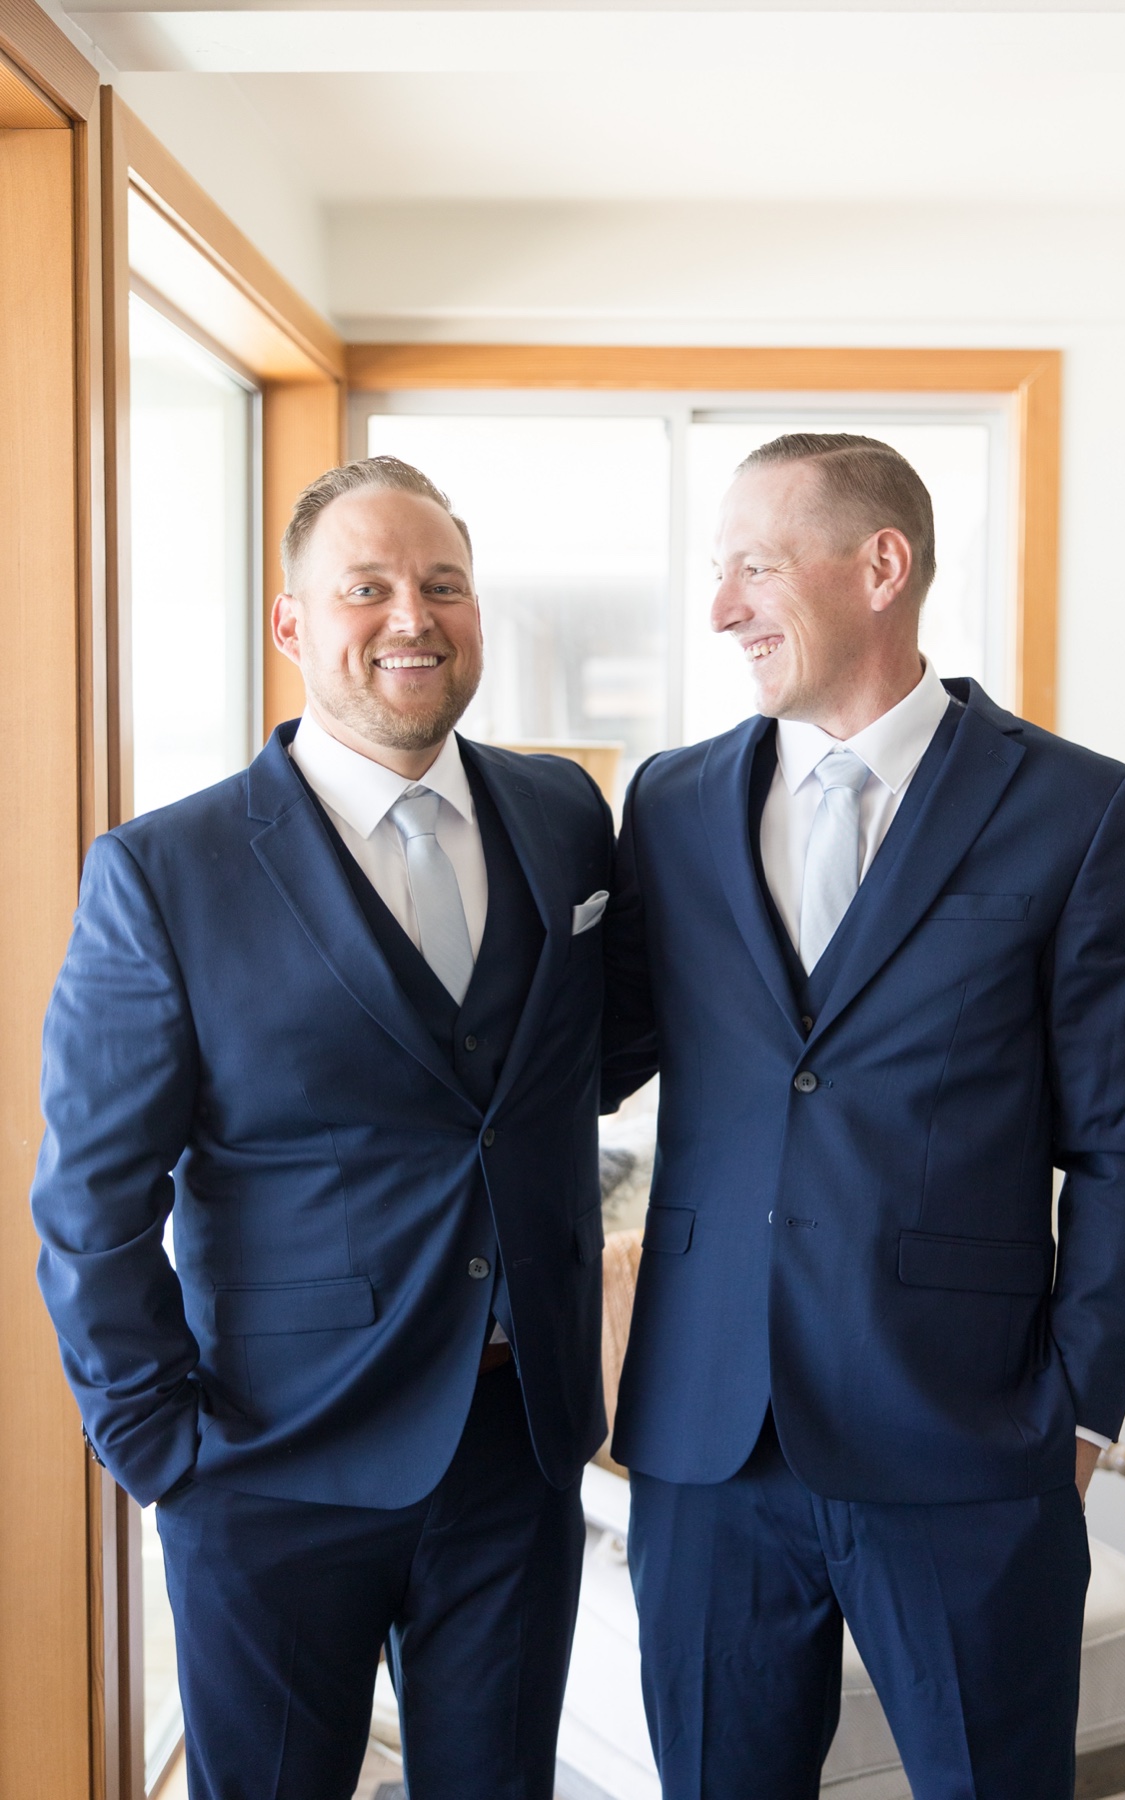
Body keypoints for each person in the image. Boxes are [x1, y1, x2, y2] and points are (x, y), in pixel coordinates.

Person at [602, 433, 1125, 1800]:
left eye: (754, 563)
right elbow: (586, 1060)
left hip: (965, 1439)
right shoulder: (671, 804)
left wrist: (1077, 1410)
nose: (722, 606)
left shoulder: (1073, 808)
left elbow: (1118, 1145)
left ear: (881, 566)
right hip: (707, 1444)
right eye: (715, 568)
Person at [33, 455, 613, 1800]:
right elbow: (90, 1204)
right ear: (294, 625)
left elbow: (596, 1050)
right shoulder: (163, 872)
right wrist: (162, 1449)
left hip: (512, 1452)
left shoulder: (564, 815)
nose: (411, 616)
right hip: (269, 1462)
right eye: (367, 587)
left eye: (443, 585)